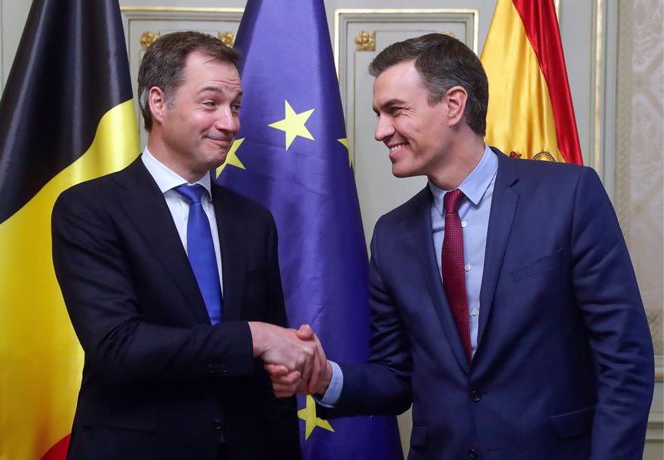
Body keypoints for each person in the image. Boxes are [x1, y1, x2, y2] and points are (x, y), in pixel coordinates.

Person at [269, 33, 655, 459]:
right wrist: (326, 379)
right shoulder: (392, 235)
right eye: (378, 114)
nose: (381, 131)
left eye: (395, 111)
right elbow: (397, 377)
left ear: (453, 104)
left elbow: (624, 358)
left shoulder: (569, 196)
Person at [51, 31, 318, 460]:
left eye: (235, 107)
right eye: (210, 103)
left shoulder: (253, 222)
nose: (229, 123)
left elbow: (273, 374)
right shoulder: (90, 209)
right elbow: (118, 348)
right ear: (158, 102)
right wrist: (251, 337)